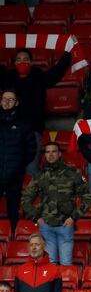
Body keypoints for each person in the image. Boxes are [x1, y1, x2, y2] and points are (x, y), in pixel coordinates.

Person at [21, 142, 91, 266]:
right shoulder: (39, 176)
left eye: (53, 151)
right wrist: (37, 218)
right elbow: (26, 199)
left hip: (66, 225)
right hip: (46, 226)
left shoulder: (73, 173)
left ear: (59, 154)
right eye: (47, 152)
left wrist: (74, 217)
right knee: (49, 264)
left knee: (66, 264)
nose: (50, 154)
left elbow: (88, 196)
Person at [0, 48, 70, 165]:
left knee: (31, 169)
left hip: (33, 130)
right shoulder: (7, 76)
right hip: (10, 131)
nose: (22, 62)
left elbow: (56, 73)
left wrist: (67, 53)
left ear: (31, 62)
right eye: (19, 60)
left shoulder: (38, 76)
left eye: (25, 59)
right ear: (14, 63)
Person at [0, 88, 36, 232]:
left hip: (15, 176)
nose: (7, 102)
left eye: (11, 100)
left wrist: (19, 166)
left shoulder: (24, 125)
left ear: (17, 103)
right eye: (4, 99)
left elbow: (31, 150)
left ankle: (14, 238)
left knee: (13, 211)